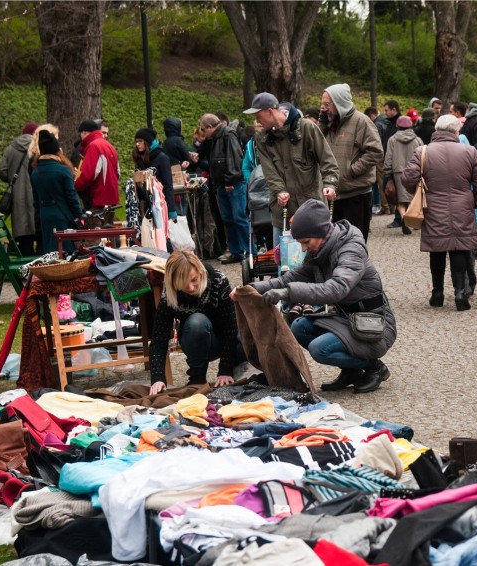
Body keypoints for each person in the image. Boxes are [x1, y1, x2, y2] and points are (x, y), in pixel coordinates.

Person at [245, 199, 396, 394]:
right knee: (299, 327)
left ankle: (374, 366)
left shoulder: (350, 249)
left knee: (320, 349)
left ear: (321, 232)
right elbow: (292, 277)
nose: (303, 249)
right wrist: (252, 288)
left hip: (374, 325)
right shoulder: (321, 248)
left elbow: (336, 289)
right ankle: (352, 371)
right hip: (347, 318)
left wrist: (288, 292)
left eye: (306, 242)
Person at [401, 114, 477, 311]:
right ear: (455, 131)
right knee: (458, 248)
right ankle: (460, 294)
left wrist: (419, 189)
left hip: (433, 206)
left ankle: (437, 293)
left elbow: (408, 178)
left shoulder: (422, 151)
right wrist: (476, 202)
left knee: (437, 248)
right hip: (462, 207)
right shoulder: (470, 151)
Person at [244, 92, 339, 253]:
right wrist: (279, 191)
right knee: (284, 263)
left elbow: (328, 161)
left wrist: (330, 183)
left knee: (320, 258)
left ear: (270, 111)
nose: (257, 122)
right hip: (283, 212)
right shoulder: (262, 138)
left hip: (311, 208)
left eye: (259, 116)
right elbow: (269, 172)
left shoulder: (307, 128)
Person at [149, 250, 245, 394]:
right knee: (197, 322)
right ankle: (197, 377)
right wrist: (157, 377)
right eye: (183, 284)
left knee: (243, 339)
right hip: (194, 338)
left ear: (200, 272)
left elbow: (229, 327)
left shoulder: (219, 281)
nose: (190, 288)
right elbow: (159, 338)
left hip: (223, 339)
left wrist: (225, 369)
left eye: (194, 280)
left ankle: (236, 370)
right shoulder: (169, 294)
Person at [319, 83, 383, 242]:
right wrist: (322, 122)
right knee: (332, 246)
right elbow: (316, 145)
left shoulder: (361, 121)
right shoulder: (330, 122)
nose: (323, 108)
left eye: (327, 104)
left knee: (354, 245)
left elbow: (376, 151)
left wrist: (351, 171)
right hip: (333, 196)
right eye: (322, 104)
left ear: (339, 103)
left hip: (356, 196)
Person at [200, 113, 250, 264]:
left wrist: (230, 180)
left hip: (232, 185)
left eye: (203, 129)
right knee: (228, 220)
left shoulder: (228, 135)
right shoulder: (217, 137)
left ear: (210, 127)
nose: (203, 133)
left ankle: (249, 251)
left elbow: (234, 158)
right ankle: (236, 251)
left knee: (239, 218)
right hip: (223, 185)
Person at [30, 130, 82, 254]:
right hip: (62, 216)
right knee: (66, 251)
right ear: (56, 150)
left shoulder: (35, 173)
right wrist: (79, 217)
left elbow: (36, 202)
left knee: (51, 252)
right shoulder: (63, 170)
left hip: (45, 217)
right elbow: (72, 197)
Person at [0, 123, 39, 256]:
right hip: (35, 194)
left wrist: (12, 179)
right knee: (39, 234)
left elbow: (2, 171)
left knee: (24, 238)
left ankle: (25, 270)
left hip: (17, 197)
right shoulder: (37, 149)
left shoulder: (10, 149)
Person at [383, 115, 423, 235]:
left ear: (398, 126)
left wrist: (387, 172)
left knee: (400, 199)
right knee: (412, 198)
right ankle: (412, 220)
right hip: (414, 171)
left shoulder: (393, 139)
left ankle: (403, 216)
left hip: (398, 172)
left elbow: (388, 157)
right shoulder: (417, 140)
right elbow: (422, 156)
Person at [74, 119, 120, 211]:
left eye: (80, 135)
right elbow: (118, 172)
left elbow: (88, 175)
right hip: (111, 199)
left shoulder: (93, 146)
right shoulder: (109, 146)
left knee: (96, 225)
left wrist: (75, 185)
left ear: (84, 133)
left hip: (98, 200)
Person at [132, 128, 177, 220]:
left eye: (140, 141)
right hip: (144, 204)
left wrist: (171, 211)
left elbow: (168, 184)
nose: (137, 144)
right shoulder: (140, 158)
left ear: (147, 142)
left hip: (159, 203)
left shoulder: (161, 157)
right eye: (136, 141)